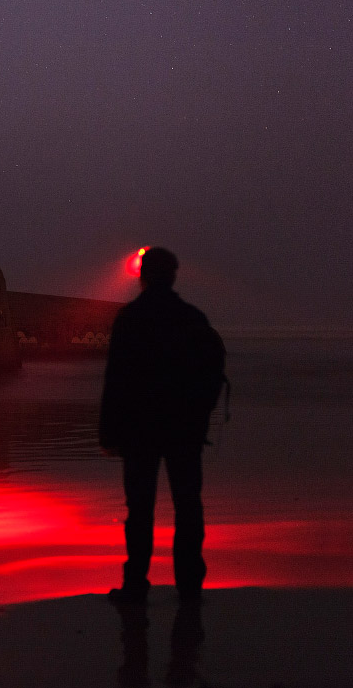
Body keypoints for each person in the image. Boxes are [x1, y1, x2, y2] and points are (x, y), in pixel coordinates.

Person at [99, 246, 226, 603]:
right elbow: (210, 375)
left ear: (143, 276)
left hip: (139, 430)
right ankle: (189, 583)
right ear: (173, 275)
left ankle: (136, 583)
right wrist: (200, 417)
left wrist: (108, 431)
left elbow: (117, 379)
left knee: (139, 508)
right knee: (188, 505)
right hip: (185, 428)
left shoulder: (130, 318)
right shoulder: (192, 318)